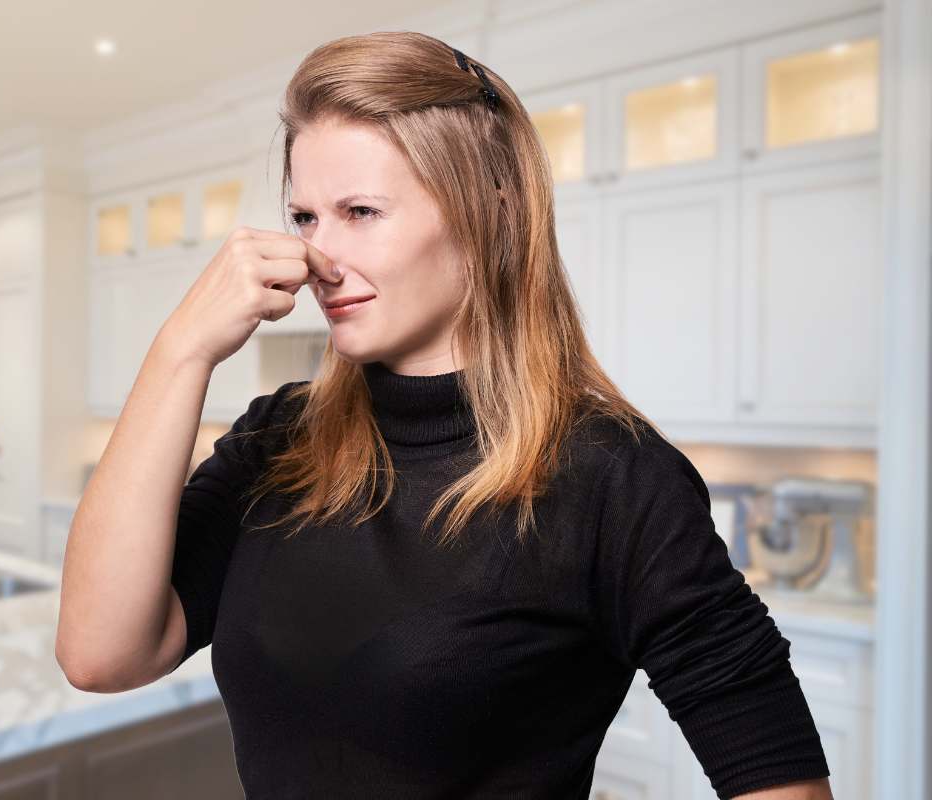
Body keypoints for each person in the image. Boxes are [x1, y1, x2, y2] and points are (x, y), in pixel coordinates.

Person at [57, 30, 834, 800]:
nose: (320, 257)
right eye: (305, 217)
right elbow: (100, 656)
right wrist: (179, 352)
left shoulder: (612, 478)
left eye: (360, 211)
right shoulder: (278, 437)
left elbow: (783, 782)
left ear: (488, 210)